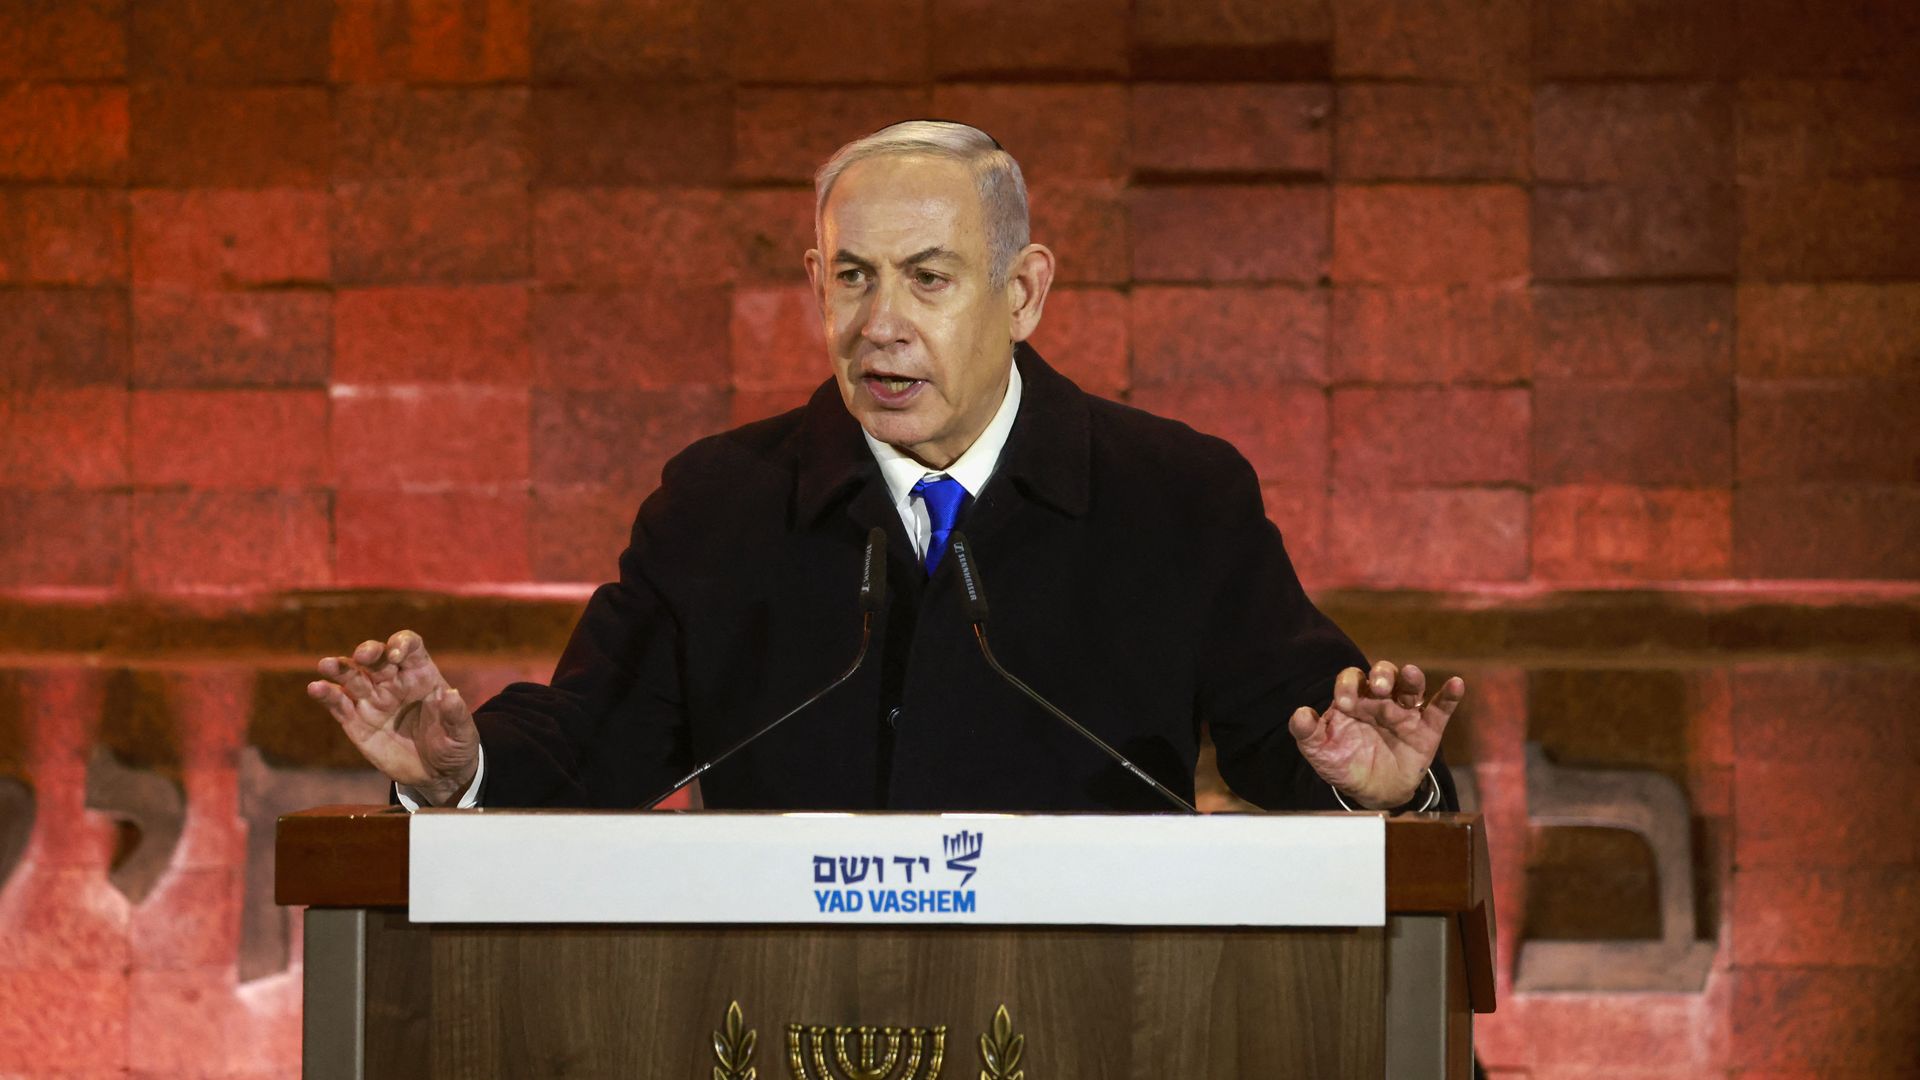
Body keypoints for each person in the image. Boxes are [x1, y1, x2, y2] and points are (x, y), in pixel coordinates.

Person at [308, 121, 1464, 814]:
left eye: (928, 277)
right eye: (851, 277)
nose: (880, 324)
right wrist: (457, 773)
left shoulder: (1176, 495)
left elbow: (1302, 739)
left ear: (1023, 293)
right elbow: (593, 745)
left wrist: (1384, 786)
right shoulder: (719, 506)